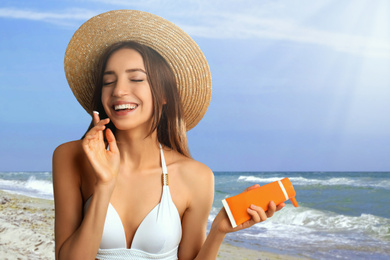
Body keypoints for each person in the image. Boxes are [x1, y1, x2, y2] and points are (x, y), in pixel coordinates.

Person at [52, 10, 285, 260]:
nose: (119, 90)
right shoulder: (71, 157)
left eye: (136, 78)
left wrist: (219, 230)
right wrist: (104, 185)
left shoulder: (196, 176)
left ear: (163, 95)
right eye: (109, 82)